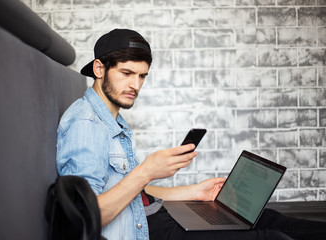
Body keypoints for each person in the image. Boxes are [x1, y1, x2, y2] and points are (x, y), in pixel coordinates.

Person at [56, 29, 326, 240]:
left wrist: (193, 192)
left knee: (267, 218)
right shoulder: (86, 125)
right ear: (100, 68)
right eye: (127, 73)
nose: (135, 85)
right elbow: (85, 216)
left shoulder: (112, 118)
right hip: (148, 231)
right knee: (270, 236)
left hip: (150, 215)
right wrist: (147, 170)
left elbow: (132, 192)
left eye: (142, 76)